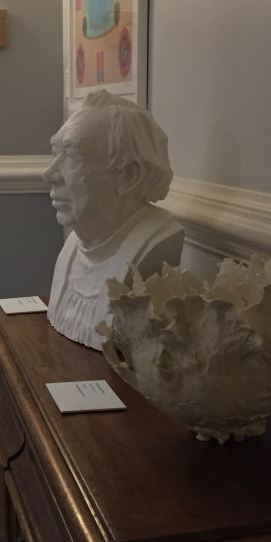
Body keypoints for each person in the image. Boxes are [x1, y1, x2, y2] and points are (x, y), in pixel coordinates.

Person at [44, 90, 184, 349]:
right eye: (56, 153)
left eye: (72, 156)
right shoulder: (76, 244)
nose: (50, 173)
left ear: (129, 175)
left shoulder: (155, 242)